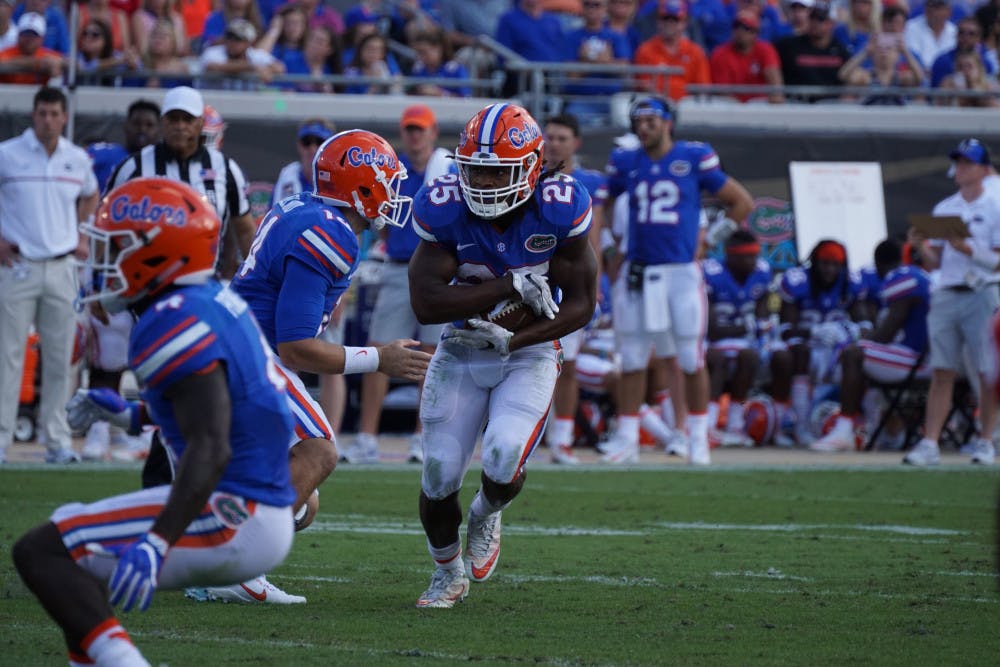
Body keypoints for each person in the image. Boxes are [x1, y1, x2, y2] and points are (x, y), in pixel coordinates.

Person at [15, 178, 298, 666]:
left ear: (158, 251)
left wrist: (156, 540)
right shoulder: (209, 300)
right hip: (256, 505)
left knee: (43, 552)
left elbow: (211, 446)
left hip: (234, 510)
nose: (104, 259)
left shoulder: (171, 318)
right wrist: (128, 415)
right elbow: (215, 410)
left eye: (117, 245)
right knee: (72, 567)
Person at [215, 129, 431, 599]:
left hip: (234, 347)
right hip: (250, 356)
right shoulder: (329, 231)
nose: (394, 194)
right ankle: (233, 566)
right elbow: (295, 349)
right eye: (386, 182)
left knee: (304, 503)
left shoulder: (304, 210)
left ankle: (213, 529)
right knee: (319, 450)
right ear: (361, 187)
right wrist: (379, 358)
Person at [408, 102, 598, 608]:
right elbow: (425, 301)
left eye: (498, 171)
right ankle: (446, 574)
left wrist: (515, 339)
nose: (486, 182)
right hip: (463, 348)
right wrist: (507, 284)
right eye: (476, 170)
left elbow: (582, 304)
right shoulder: (446, 205)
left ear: (533, 168)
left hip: (529, 352)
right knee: (439, 473)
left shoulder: (559, 205)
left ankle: (487, 512)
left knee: (503, 455)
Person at [599, 96, 753, 466]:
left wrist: (711, 238)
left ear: (669, 122)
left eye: (652, 119)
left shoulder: (694, 157)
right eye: (639, 120)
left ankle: (697, 437)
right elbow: (601, 203)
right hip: (639, 271)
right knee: (633, 357)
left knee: (690, 356)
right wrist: (608, 247)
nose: (645, 126)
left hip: (681, 272)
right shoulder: (626, 161)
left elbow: (742, 202)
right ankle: (627, 437)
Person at [344, 105, 452, 465]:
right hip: (397, 267)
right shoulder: (394, 170)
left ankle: (423, 438)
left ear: (433, 132)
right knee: (378, 352)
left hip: (437, 270)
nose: (415, 136)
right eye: (410, 129)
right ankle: (366, 437)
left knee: (433, 355)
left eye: (420, 129)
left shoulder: (447, 168)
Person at [0, 86, 99, 465]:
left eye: (54, 113)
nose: (47, 120)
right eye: (42, 113)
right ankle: (2, 440)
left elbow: (91, 195)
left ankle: (56, 441)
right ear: (33, 115)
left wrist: (81, 232)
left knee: (61, 360)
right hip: (17, 265)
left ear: (64, 117)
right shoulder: (8, 154)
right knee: (8, 356)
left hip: (62, 267)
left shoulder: (76, 159)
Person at [904, 138, 1000, 466]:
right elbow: (935, 263)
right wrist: (919, 247)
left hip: (982, 292)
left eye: (967, 163)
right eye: (958, 162)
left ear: (984, 169)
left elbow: (998, 262)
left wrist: (968, 248)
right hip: (948, 290)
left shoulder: (995, 204)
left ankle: (986, 440)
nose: (960, 169)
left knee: (988, 371)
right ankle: (930, 443)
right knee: (942, 370)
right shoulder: (946, 207)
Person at [106, 85, 254, 282]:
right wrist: (104, 279)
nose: (180, 126)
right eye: (173, 119)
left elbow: (244, 231)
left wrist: (258, 282)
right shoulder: (133, 167)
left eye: (187, 119)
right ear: (162, 122)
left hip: (206, 282)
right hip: (144, 285)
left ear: (200, 123)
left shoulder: (225, 168)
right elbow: (107, 225)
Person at [81, 99, 162, 462]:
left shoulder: (168, 166)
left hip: (155, 268)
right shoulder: (104, 160)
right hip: (113, 262)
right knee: (108, 354)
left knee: (151, 354)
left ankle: (139, 427)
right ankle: (100, 426)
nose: (142, 130)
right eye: (137, 124)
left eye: (149, 124)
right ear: (126, 127)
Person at [811, 238, 931, 452]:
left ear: (878, 264)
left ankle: (844, 430)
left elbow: (886, 334)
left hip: (916, 359)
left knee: (853, 354)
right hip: (926, 357)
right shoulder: (919, 275)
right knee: (861, 359)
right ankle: (883, 430)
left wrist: (856, 340)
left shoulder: (902, 277)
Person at [541, 112, 608, 464]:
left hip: (570, 280)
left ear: (575, 143)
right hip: (533, 276)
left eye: (561, 138)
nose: (554, 144)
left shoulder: (590, 183)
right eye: (549, 137)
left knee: (567, 363)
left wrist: (594, 283)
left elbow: (594, 238)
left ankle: (562, 439)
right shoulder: (530, 177)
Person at [770, 239, 868, 446]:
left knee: (858, 357)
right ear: (815, 262)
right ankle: (800, 425)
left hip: (835, 351)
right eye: (825, 263)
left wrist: (847, 331)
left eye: (835, 265)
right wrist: (814, 332)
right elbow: (786, 330)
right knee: (798, 352)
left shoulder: (851, 282)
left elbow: (866, 326)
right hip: (805, 350)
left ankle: (866, 426)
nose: (829, 269)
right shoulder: (798, 281)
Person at [702, 229, 772, 447]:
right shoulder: (712, 274)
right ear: (731, 256)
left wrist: (760, 326)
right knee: (717, 359)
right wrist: (746, 327)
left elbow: (764, 317)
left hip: (743, 344)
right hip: (711, 342)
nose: (753, 262)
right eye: (746, 257)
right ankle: (709, 425)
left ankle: (735, 424)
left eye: (754, 256)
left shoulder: (762, 273)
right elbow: (710, 329)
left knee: (750, 356)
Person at [633, 0, 710, 101]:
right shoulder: (645, 50)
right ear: (658, 21)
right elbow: (642, 86)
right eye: (665, 19)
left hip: (686, 109)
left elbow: (702, 88)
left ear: (684, 23)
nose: (670, 23)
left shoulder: (696, 52)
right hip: (654, 106)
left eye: (675, 19)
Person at [708, 10, 784, 103]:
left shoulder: (765, 50)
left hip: (760, 107)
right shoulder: (720, 54)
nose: (740, 31)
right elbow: (722, 91)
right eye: (736, 26)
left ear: (755, 33)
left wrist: (776, 99)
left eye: (746, 28)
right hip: (730, 108)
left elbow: (775, 84)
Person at [0, 11, 63, 84]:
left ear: (42, 38)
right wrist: (38, 63)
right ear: (18, 35)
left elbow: (73, 64)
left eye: (34, 35)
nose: (29, 39)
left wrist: (60, 63)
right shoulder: (7, 53)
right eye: (26, 34)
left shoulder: (48, 54)